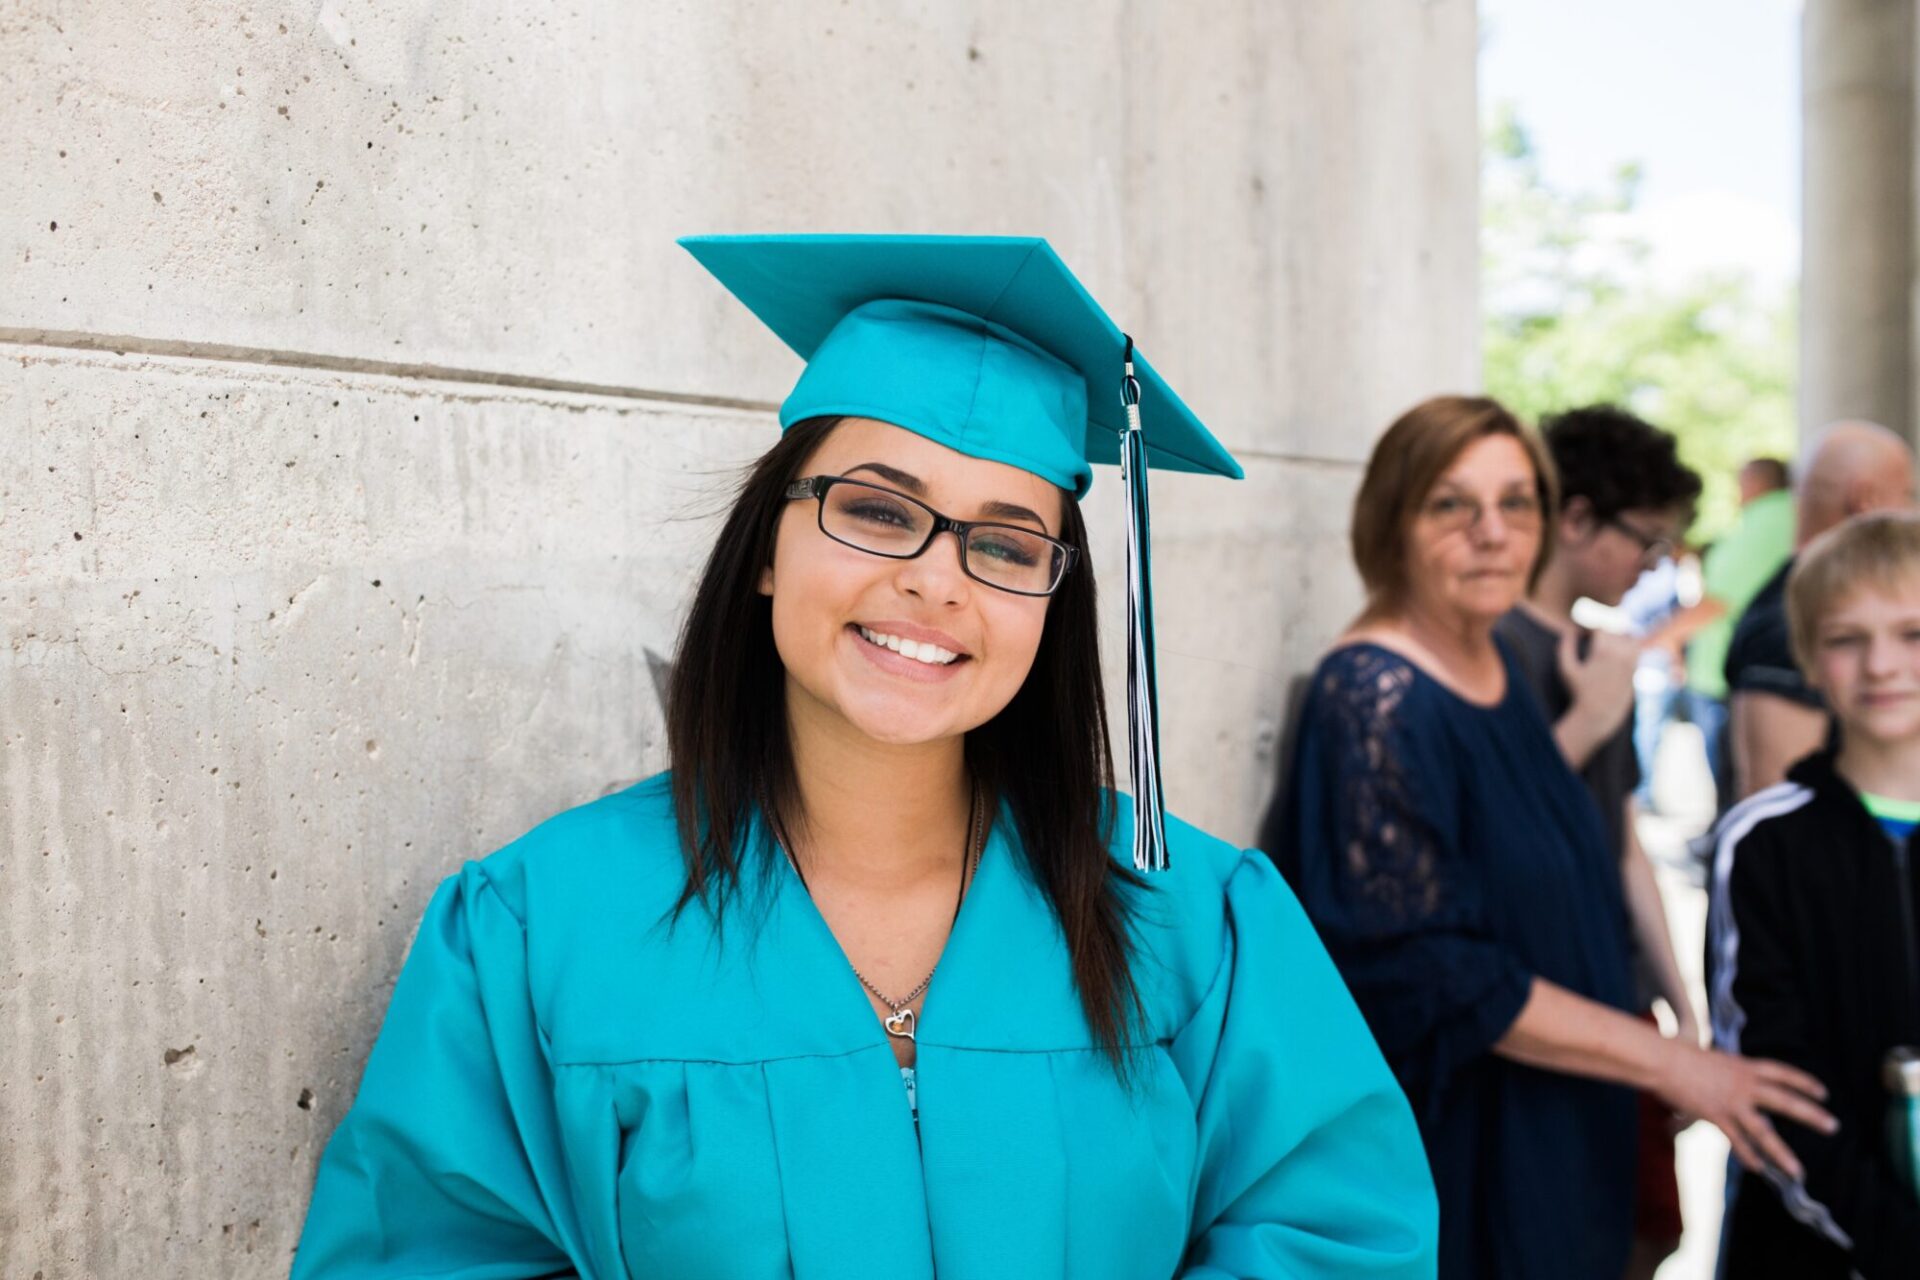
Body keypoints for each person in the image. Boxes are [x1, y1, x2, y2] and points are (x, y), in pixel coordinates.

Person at [289, 235, 1438, 1280]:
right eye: (879, 511)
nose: (937, 579)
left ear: (1051, 607)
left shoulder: (1198, 924)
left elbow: (1337, 1237)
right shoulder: (538, 929)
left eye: (1004, 542)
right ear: (766, 554)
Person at [1270, 394, 1834, 1280]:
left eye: (1516, 502)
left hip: (1562, 1122)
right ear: (1391, 522)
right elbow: (1443, 977)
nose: (1492, 532)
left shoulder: (1492, 660)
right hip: (1470, 1146)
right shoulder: (1373, 694)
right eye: (1453, 504)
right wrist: (1674, 1064)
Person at [1491, 403, 1703, 1280]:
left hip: (1616, 998)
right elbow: (1489, 840)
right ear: (1575, 517)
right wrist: (1589, 720)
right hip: (1529, 1012)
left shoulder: (1604, 652)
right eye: (1643, 540)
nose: (1650, 566)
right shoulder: (1483, 649)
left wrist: (1683, 1015)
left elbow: (1623, 847)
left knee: (1643, 1233)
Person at [1708, 511, 1920, 1278]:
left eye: (1912, 634)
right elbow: (1771, 1084)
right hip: (1814, 1248)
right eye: (1846, 639)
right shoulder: (1764, 844)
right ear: (1806, 655)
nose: (1882, 665)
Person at [1726, 422, 1915, 801]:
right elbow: (1774, 788)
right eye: (1910, 494)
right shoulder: (1787, 618)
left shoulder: (1788, 600)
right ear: (1866, 499)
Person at [1684, 457, 1794, 802]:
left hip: (1726, 681)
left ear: (1754, 484)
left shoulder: (1768, 520)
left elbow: (1717, 602)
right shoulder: (1783, 518)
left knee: (1737, 788)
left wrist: (1650, 641)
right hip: (1735, 677)